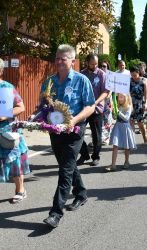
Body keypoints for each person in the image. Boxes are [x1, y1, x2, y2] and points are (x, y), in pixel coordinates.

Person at [41, 44, 95, 228]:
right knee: (67, 164)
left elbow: (90, 106)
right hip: (55, 131)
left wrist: (74, 120)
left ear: (72, 61)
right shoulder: (49, 82)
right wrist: (39, 119)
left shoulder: (81, 81)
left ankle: (55, 213)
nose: (58, 61)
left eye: (63, 58)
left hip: (74, 130)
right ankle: (81, 193)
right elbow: (44, 106)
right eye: (57, 58)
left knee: (65, 169)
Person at [0, 58, 30, 204]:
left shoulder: (7, 87)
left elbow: (21, 107)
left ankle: (20, 190)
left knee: (14, 161)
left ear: (0, 71)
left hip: (6, 132)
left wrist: (5, 114)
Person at [77, 53, 109, 166]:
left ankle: (96, 156)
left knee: (96, 135)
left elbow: (106, 92)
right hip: (83, 109)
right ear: (87, 63)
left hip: (96, 109)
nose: (95, 66)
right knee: (77, 132)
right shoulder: (82, 74)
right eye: (92, 64)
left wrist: (95, 102)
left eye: (96, 64)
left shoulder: (102, 74)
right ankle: (84, 154)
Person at [105, 93, 136, 171]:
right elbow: (115, 117)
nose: (120, 99)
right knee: (115, 145)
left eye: (122, 97)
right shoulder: (118, 106)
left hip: (125, 127)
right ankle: (113, 164)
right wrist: (113, 112)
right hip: (118, 126)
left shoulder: (128, 107)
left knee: (126, 146)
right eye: (119, 97)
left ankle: (126, 161)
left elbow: (126, 118)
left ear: (126, 98)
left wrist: (118, 112)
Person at [129, 66, 147, 143]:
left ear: (138, 73)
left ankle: (144, 136)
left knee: (140, 123)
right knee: (131, 122)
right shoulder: (129, 80)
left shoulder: (144, 80)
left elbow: (146, 94)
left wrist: (146, 103)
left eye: (135, 75)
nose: (133, 77)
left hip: (140, 104)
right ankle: (132, 141)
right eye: (132, 75)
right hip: (131, 104)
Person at [100, 60, 113, 145]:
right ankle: (101, 137)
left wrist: (106, 97)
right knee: (100, 119)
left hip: (107, 100)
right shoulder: (99, 76)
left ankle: (107, 138)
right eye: (101, 66)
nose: (102, 67)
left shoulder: (110, 76)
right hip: (100, 100)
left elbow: (111, 89)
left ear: (107, 67)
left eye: (104, 66)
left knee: (107, 119)